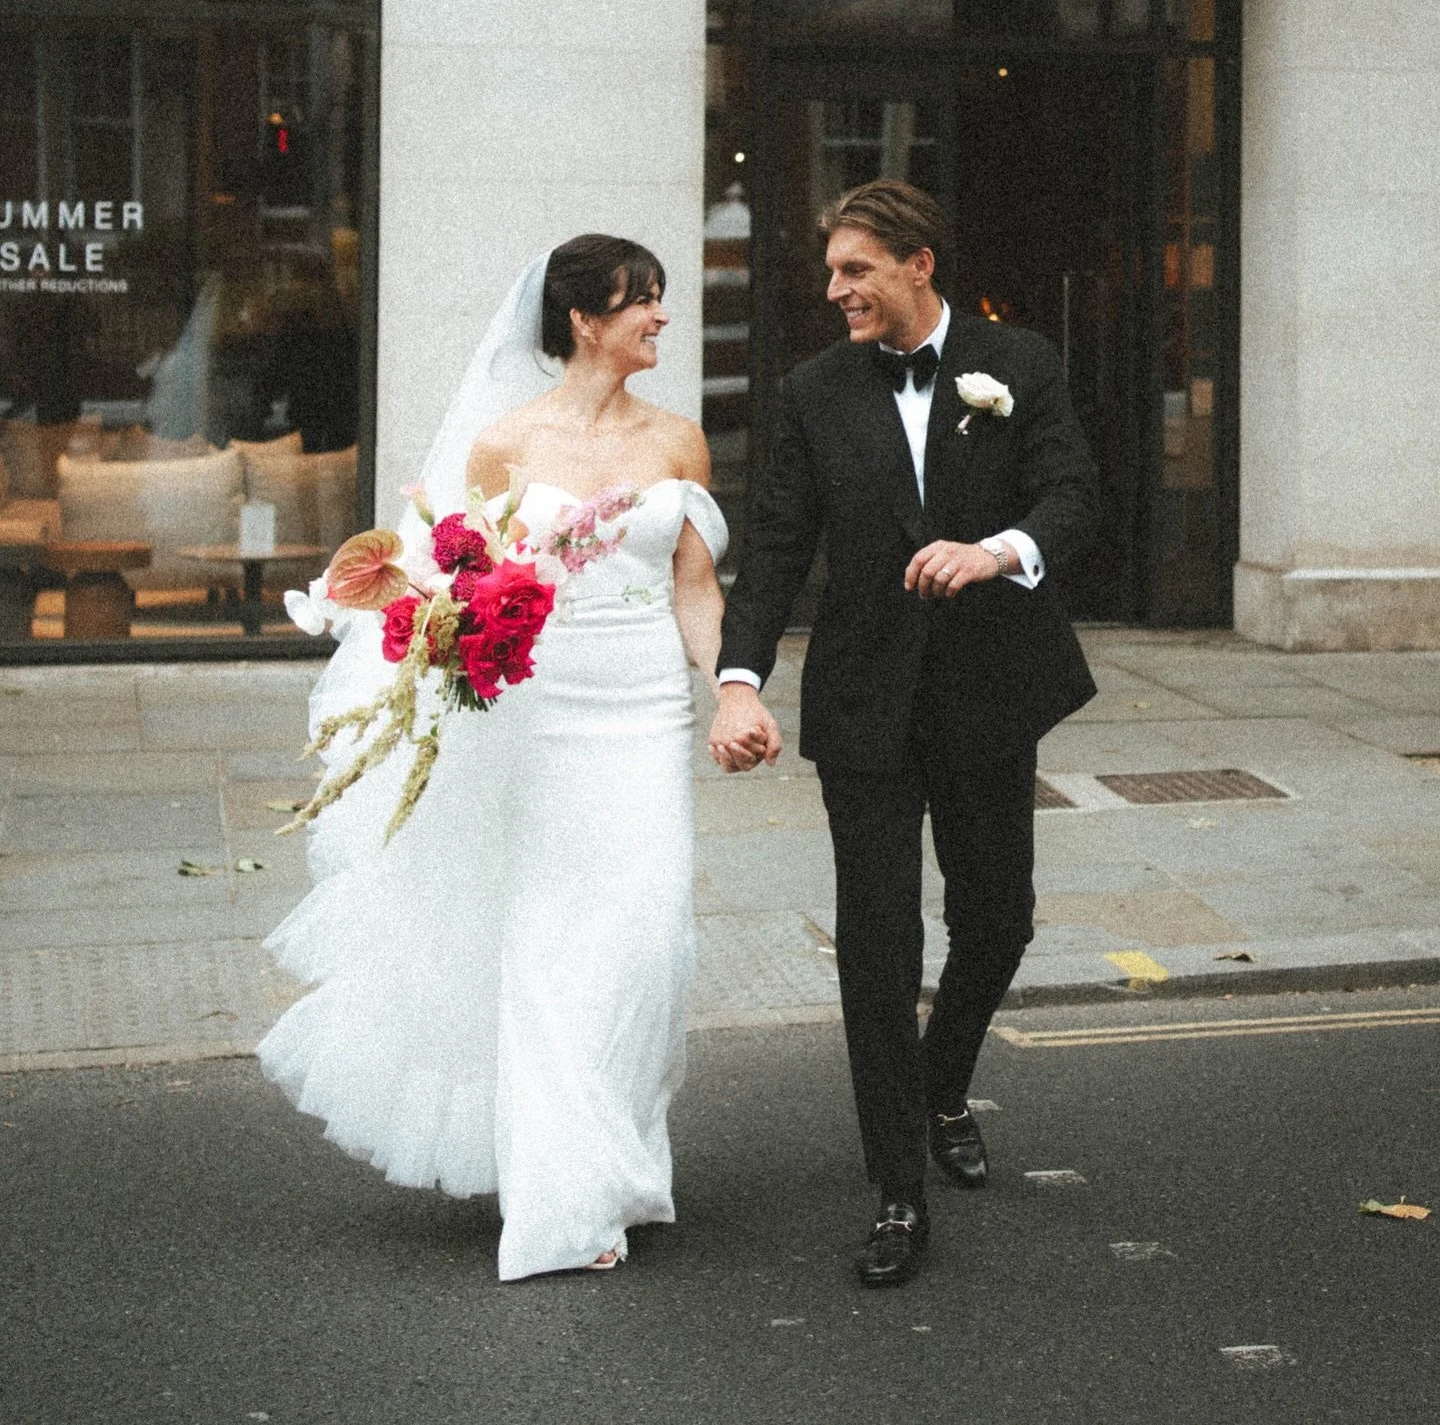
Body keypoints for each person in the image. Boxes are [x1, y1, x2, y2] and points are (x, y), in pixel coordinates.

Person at [259, 235, 729, 1281]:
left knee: (649, 936)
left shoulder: (680, 441)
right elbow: (457, 578)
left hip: (644, 709)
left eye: (661, 299)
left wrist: (725, 687)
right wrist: (451, 640)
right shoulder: (501, 446)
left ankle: (624, 1155)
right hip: (547, 711)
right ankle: (569, 1195)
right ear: (582, 320)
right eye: (642, 301)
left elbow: (695, 583)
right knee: (559, 941)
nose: (661, 317)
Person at [709, 179, 1098, 1288]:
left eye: (854, 270)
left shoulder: (1017, 366)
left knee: (998, 923)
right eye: (831, 272)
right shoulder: (814, 392)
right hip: (867, 700)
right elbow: (778, 545)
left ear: (918, 263)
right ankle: (896, 1189)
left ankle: (939, 1085)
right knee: (878, 949)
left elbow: (1074, 494)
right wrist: (741, 680)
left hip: (989, 692)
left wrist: (998, 549)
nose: (835, 291)